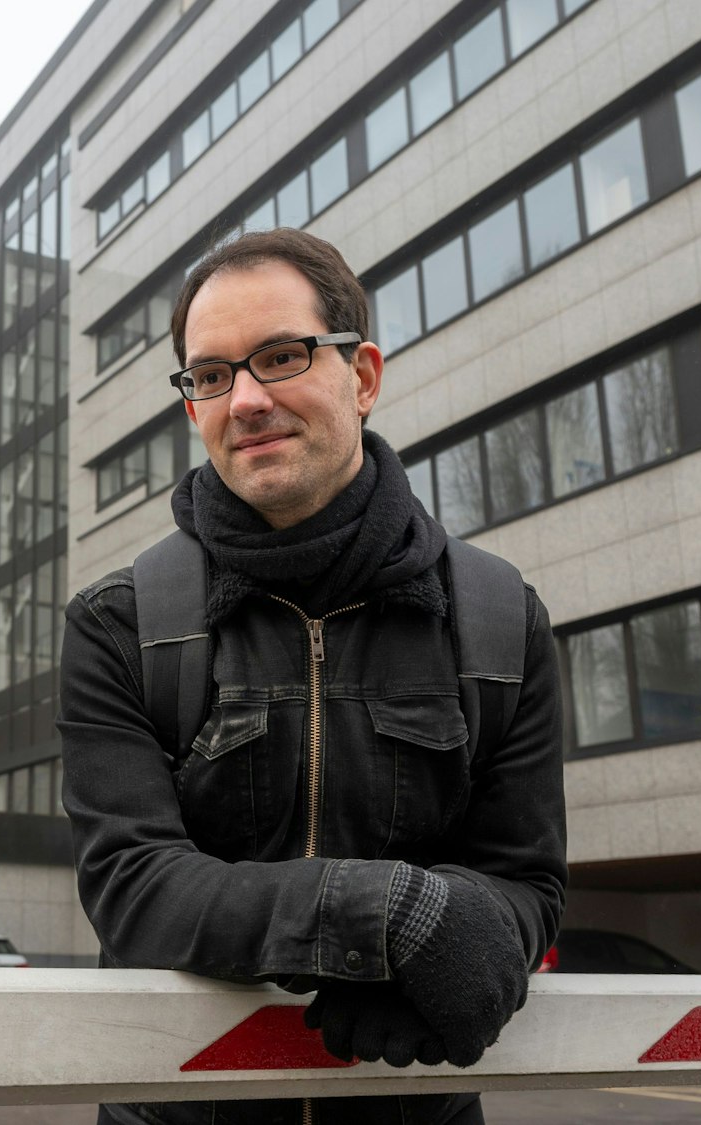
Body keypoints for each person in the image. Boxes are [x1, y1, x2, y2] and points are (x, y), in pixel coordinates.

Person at [57, 229, 565, 1125]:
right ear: (192, 406)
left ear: (362, 375)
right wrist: (382, 919)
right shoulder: (120, 623)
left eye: (281, 357)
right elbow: (133, 888)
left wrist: (465, 931)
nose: (245, 399)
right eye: (211, 375)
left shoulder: (498, 619)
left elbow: (527, 882)